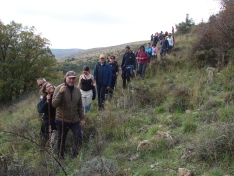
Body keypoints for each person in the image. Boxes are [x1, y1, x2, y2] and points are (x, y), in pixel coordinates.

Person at [52, 71, 85, 159]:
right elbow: (54, 104)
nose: (71, 80)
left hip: (74, 119)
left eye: (73, 78)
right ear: (66, 78)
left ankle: (74, 156)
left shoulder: (77, 90)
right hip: (62, 119)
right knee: (61, 139)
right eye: (70, 78)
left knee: (78, 136)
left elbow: (79, 106)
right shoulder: (59, 88)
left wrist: (82, 118)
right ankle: (60, 157)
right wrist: (60, 93)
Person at [37, 82, 57, 150]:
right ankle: (42, 148)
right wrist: (47, 102)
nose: (50, 87)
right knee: (45, 136)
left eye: (51, 85)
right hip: (47, 120)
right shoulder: (45, 98)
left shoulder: (57, 95)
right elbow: (40, 109)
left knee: (56, 134)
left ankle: (51, 148)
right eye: (48, 86)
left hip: (57, 119)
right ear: (45, 90)